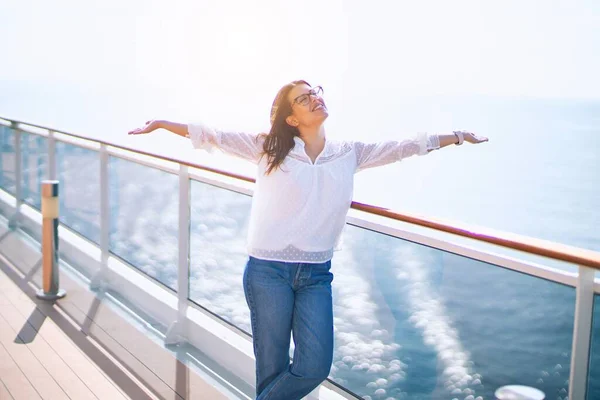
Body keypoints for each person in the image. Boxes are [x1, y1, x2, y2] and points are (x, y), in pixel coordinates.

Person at [128, 80, 488, 400]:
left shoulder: (349, 153)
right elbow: (211, 135)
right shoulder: (269, 148)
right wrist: (161, 124)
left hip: (316, 274)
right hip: (267, 271)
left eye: (315, 92)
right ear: (291, 119)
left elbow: (403, 146)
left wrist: (456, 136)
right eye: (304, 99)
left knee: (314, 367)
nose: (315, 98)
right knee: (271, 370)